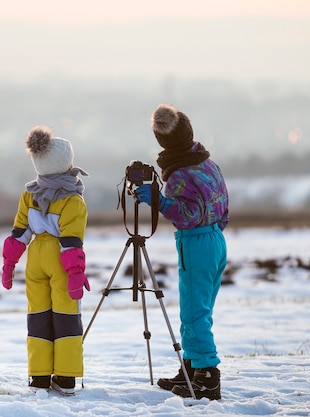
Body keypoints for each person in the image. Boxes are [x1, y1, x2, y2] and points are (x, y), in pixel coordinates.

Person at [135, 103, 229, 400]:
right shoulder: (208, 164)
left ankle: (208, 376)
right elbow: (222, 205)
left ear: (163, 142)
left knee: (193, 313)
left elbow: (186, 214)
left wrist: (158, 201)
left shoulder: (179, 175)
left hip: (195, 242)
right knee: (199, 310)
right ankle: (191, 368)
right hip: (215, 240)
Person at [1, 125, 90, 396]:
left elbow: (19, 232)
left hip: (34, 259)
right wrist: (75, 273)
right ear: (65, 165)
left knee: (38, 315)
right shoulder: (72, 201)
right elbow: (71, 241)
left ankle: (38, 376)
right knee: (65, 316)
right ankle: (65, 377)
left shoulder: (29, 194)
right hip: (59, 261)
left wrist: (9, 264)